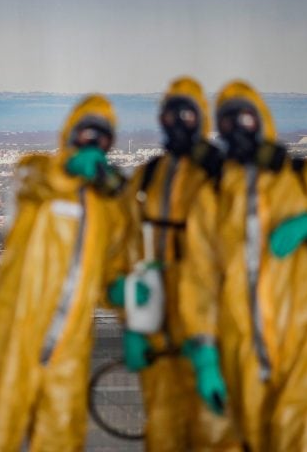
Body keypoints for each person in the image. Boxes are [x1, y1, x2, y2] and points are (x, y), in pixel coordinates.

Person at [179, 80, 307, 451]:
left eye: (245, 118)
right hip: (238, 350)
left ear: (262, 119)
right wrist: (204, 354)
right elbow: (198, 280)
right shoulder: (213, 196)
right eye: (228, 120)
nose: (238, 129)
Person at [0, 94, 129, 452]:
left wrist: (123, 295)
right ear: (69, 134)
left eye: (101, 136)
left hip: (68, 346)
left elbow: (110, 268)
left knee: (60, 438)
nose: (92, 142)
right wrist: (69, 171)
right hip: (14, 333)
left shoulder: (109, 211)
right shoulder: (39, 174)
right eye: (85, 132)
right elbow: (29, 179)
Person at [106, 76, 242, 451]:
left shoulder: (221, 178)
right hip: (158, 324)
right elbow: (124, 245)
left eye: (187, 114)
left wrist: (209, 344)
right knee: (164, 428)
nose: (178, 123)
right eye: (171, 115)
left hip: (214, 325)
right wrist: (129, 312)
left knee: (216, 433)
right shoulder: (151, 176)